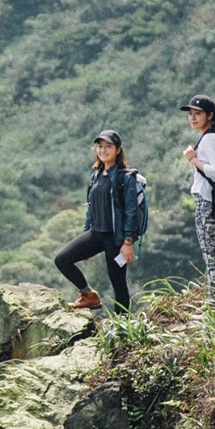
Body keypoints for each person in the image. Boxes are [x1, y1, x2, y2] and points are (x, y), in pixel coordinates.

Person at [55, 129, 140, 313]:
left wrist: (127, 242)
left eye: (108, 146)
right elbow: (90, 208)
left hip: (115, 239)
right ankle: (88, 295)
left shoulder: (125, 177)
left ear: (117, 150)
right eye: (100, 146)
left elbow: (131, 211)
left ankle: (122, 327)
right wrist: (86, 233)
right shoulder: (95, 176)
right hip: (95, 234)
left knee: (118, 283)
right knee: (62, 259)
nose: (103, 150)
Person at [181, 94, 215, 296]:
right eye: (191, 114)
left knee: (210, 255)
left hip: (208, 203)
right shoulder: (210, 135)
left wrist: (193, 159)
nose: (193, 117)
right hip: (214, 202)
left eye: (198, 114)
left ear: (210, 115)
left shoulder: (209, 137)